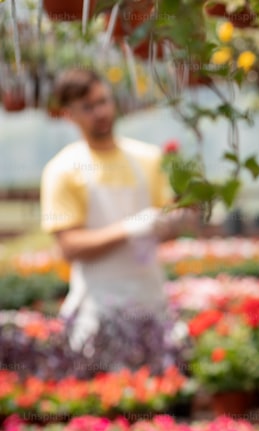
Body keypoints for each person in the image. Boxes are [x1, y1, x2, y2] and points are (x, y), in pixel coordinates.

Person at [41, 68, 197, 356]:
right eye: (88, 107)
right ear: (68, 115)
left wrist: (181, 216)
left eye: (103, 101)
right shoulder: (62, 170)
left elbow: (165, 227)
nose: (100, 112)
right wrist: (130, 228)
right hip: (98, 307)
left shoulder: (148, 158)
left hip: (151, 298)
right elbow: (68, 247)